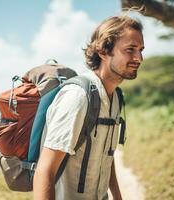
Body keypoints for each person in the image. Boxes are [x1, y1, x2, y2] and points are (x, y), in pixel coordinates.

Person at [33, 14, 144, 200]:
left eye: (141, 49)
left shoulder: (116, 96)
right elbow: (44, 171)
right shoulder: (78, 97)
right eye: (130, 49)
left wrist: (117, 196)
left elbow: (106, 155)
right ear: (103, 51)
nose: (139, 58)